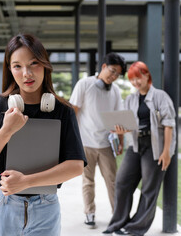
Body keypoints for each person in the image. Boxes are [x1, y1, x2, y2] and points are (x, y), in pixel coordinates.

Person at [0, 34, 86, 236]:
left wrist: (27, 181)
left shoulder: (62, 111)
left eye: (33, 63)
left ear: (45, 65)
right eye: (17, 66)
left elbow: (76, 166)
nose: (26, 73)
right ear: (10, 69)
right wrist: (7, 129)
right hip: (3, 203)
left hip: (46, 206)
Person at [102, 61, 176, 236]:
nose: (136, 82)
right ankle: (117, 224)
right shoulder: (131, 99)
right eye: (132, 79)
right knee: (121, 182)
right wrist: (120, 129)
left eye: (138, 78)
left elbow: (169, 125)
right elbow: (131, 125)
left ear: (146, 75)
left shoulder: (160, 96)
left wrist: (166, 152)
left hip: (155, 146)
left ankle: (135, 228)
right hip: (136, 145)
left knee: (149, 188)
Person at [69, 52, 127, 228]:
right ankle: (90, 213)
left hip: (106, 144)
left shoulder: (115, 91)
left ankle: (117, 215)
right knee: (88, 180)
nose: (114, 76)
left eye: (118, 74)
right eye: (112, 71)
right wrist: (72, 140)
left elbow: (119, 118)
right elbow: (74, 112)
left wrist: (121, 140)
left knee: (113, 181)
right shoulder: (84, 84)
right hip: (85, 143)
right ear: (103, 67)